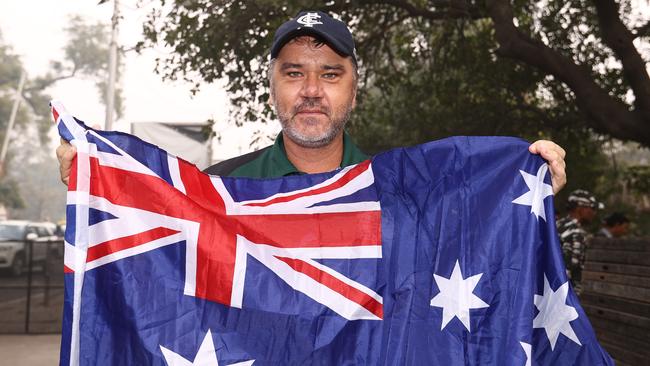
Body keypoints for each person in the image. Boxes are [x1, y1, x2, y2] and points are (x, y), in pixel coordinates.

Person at [56, 11, 567, 191]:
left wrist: (526, 180)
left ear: (354, 88)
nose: (312, 91)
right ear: (273, 85)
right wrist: (97, 178)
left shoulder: (401, 188)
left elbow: (472, 235)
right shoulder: (218, 190)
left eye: (331, 74)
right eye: (294, 72)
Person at [556, 189, 603, 291]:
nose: (594, 213)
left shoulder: (557, 224)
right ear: (580, 208)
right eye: (592, 208)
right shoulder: (576, 233)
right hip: (564, 295)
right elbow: (570, 268)